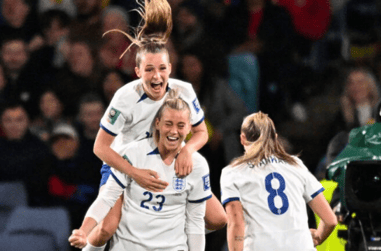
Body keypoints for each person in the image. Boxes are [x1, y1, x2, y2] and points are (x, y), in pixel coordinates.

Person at [69, 0, 226, 249]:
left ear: (170, 68)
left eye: (162, 69)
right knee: (107, 229)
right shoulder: (124, 97)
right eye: (149, 69)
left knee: (218, 219)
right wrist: (134, 173)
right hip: (126, 164)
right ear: (137, 71)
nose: (157, 75)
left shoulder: (184, 90)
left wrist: (187, 150)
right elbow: (100, 148)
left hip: (168, 161)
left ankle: (171, 231)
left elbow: (200, 132)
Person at [70, 90, 211, 251]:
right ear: (157, 123)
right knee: (106, 227)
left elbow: (195, 220)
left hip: (171, 246)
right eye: (168, 124)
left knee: (219, 218)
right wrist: (83, 230)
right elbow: (107, 198)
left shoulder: (198, 164)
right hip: (130, 244)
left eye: (180, 126)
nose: (173, 131)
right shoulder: (133, 152)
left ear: (189, 129)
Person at [221, 112, 337, 251]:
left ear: (243, 139)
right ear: (275, 138)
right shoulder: (296, 165)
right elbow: (330, 220)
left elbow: (236, 223)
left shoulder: (233, 173)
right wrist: (317, 237)